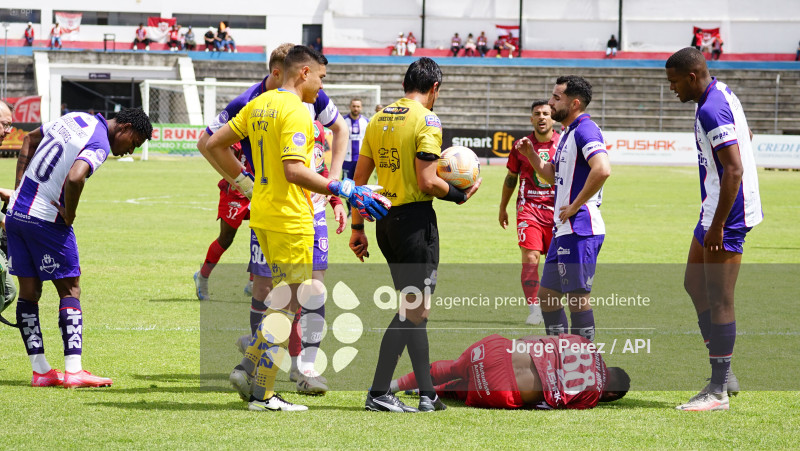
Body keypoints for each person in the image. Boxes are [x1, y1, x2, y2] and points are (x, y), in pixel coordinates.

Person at [205, 45, 389, 412]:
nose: (322, 86)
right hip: (291, 219)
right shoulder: (296, 112)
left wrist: (247, 184)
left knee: (281, 300)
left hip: (263, 216)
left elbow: (214, 144)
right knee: (288, 307)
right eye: (321, 77)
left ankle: (249, 370)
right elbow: (293, 170)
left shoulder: (260, 104)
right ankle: (264, 392)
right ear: (304, 72)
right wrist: (340, 188)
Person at [350, 57, 482, 413]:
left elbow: (358, 182)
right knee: (414, 311)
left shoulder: (378, 118)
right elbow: (428, 181)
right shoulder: (427, 119)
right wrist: (459, 194)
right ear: (434, 87)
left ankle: (428, 395)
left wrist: (357, 226)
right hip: (414, 225)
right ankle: (379, 392)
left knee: (413, 310)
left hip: (384, 224)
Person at [8, 107, 152, 388]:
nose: (128, 151)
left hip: (16, 215)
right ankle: (74, 370)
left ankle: (41, 372)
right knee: (70, 289)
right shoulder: (98, 142)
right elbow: (76, 177)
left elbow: (28, 139)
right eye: (132, 143)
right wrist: (69, 213)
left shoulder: (75, 118)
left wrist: (18, 191)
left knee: (29, 293)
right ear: (123, 128)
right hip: (46, 220)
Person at [665, 47, 762, 411]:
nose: (671, 88)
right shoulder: (720, 94)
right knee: (693, 283)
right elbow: (745, 136)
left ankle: (718, 390)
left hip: (728, 216)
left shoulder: (710, 107)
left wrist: (721, 224)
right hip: (714, 209)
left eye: (674, 81)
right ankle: (724, 372)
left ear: (692, 76)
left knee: (720, 298)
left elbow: (734, 169)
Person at [515, 75, 611, 344]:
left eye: (557, 97)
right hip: (564, 230)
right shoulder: (568, 133)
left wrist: (575, 205)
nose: (551, 101)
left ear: (575, 103)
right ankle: (560, 354)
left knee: (578, 300)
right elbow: (552, 175)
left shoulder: (586, 130)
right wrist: (532, 155)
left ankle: (587, 363)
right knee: (546, 296)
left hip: (581, 227)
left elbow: (602, 169)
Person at [391, 333, 630, 410]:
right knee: (462, 391)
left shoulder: (586, 344)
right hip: (501, 390)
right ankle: (429, 393)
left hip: (497, 351)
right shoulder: (592, 396)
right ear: (610, 395)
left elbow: (541, 338)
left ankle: (391, 386)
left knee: (453, 366)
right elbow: (552, 405)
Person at [500, 100, 560, 326]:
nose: (542, 117)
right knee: (530, 258)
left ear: (553, 117)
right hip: (529, 209)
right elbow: (510, 179)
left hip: (557, 213)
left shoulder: (563, 144)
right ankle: (534, 309)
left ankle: (552, 305)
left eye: (546, 113)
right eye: (537, 114)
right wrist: (502, 207)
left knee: (557, 263)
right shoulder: (521, 146)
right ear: (531, 119)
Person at [193, 142, 252, 300]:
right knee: (226, 238)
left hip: (259, 189)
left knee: (262, 233)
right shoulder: (236, 127)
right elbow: (223, 155)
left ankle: (254, 280)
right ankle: (202, 276)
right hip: (235, 192)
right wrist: (241, 179)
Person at [342, 98, 368, 180]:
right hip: (347, 158)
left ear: (361, 107)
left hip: (361, 159)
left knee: (360, 182)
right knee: (346, 183)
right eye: (354, 106)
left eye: (358, 106)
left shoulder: (366, 121)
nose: (356, 108)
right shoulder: (343, 121)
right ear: (350, 107)